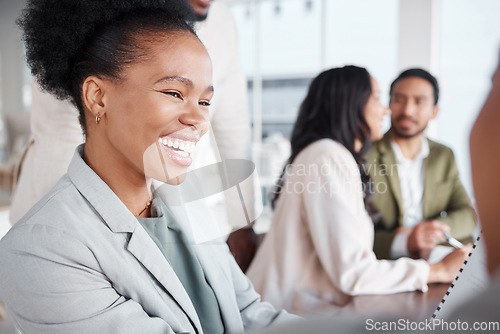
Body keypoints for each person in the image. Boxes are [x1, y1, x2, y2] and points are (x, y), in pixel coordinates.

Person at [0, 1, 297, 333]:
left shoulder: (188, 206)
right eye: (173, 92)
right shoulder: (38, 254)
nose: (199, 120)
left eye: (204, 102)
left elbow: (248, 315)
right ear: (98, 97)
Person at [9, 0, 257, 272]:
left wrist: (241, 220)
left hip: (168, 204)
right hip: (75, 206)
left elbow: (233, 126)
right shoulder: (84, 19)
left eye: (204, 102)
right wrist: (81, 227)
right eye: (174, 93)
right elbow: (62, 135)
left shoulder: (222, 23)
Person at [246, 66, 471, 315]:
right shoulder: (327, 157)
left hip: (298, 308)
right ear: (351, 102)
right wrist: (437, 270)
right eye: (377, 98)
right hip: (286, 315)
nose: (386, 109)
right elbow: (354, 272)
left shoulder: (328, 154)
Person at [365, 68, 476, 260]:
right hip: (383, 263)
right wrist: (404, 241)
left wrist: (428, 234)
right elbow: (350, 232)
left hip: (434, 258)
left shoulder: (443, 155)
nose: (407, 110)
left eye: (419, 102)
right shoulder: (365, 155)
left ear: (434, 111)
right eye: (399, 99)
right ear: (389, 104)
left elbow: (467, 214)